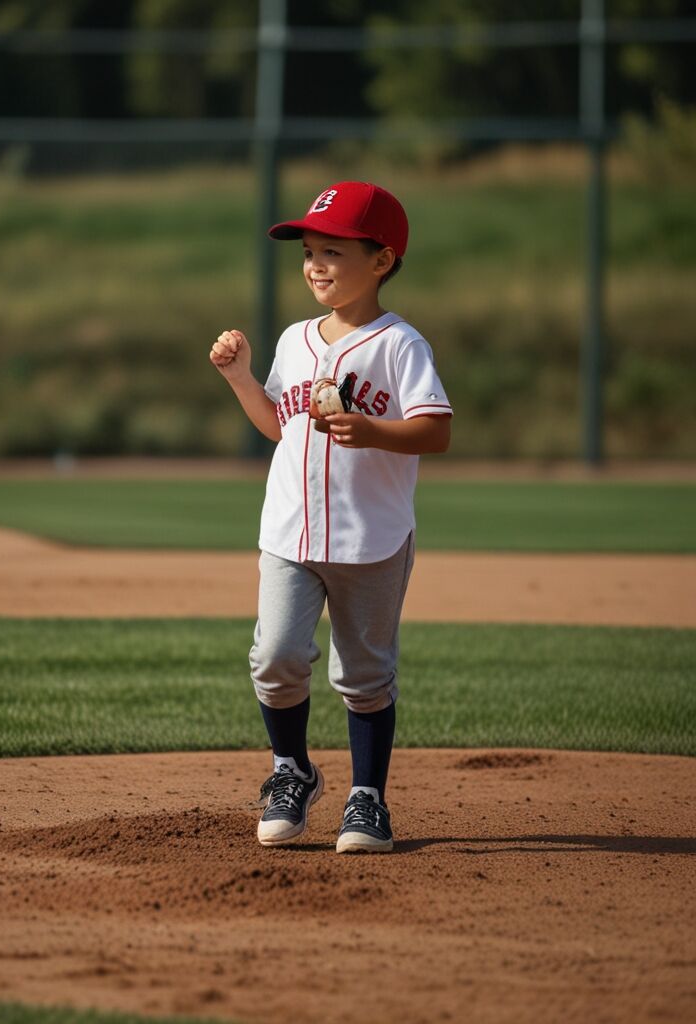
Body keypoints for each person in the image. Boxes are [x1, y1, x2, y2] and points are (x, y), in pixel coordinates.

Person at [209, 181, 452, 853]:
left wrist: (369, 429)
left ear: (382, 260)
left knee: (363, 676)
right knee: (275, 657)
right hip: (289, 532)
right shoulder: (294, 339)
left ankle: (367, 798)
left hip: (369, 538)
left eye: (333, 252)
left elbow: (435, 431)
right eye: (309, 251)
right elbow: (278, 427)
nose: (315, 264)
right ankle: (293, 771)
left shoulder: (400, 345)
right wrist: (241, 379)